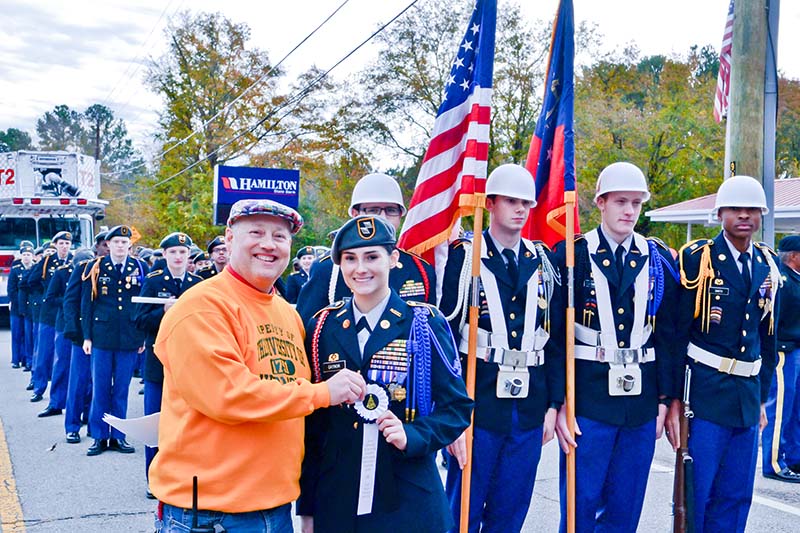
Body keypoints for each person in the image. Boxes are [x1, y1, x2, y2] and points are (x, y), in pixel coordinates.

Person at [150, 199, 367, 533]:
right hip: (210, 516)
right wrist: (323, 393)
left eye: (280, 236)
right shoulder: (201, 308)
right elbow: (229, 395)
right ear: (229, 239)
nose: (269, 244)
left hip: (275, 508)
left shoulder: (287, 314)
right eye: (256, 232)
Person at [298, 215, 472, 533]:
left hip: (407, 495)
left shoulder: (422, 323)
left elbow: (457, 408)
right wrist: (308, 508)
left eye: (372, 256)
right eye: (350, 258)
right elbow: (314, 427)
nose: (360, 268)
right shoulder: (323, 327)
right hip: (339, 496)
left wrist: (414, 435)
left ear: (392, 259)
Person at [553, 162, 680, 533]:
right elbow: (557, 336)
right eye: (621, 201)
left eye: (636, 203)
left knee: (626, 507)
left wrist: (663, 398)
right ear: (601, 203)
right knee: (580, 504)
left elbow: (668, 334)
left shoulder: (656, 258)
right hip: (588, 399)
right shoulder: (572, 254)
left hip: (640, 402)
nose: (629, 211)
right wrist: (560, 401)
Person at [437, 164, 564, 533]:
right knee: (463, 509)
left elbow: (553, 340)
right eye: (511, 201)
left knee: (511, 510)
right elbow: (446, 339)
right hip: (478, 404)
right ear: (490, 203)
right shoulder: (466, 257)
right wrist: (451, 409)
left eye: (526, 202)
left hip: (528, 405)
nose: (521, 209)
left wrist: (554, 404)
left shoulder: (542, 261)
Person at [670, 175, 779, 532]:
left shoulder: (766, 263)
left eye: (752, 210)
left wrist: (762, 398)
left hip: (746, 396)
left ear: (761, 215)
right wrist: (671, 398)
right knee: (697, 494)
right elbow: (676, 334)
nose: (744, 215)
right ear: (720, 214)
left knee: (736, 495)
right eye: (736, 209)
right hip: (705, 393)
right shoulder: (698, 260)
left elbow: (767, 338)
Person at [296, 173, 436, 322]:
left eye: (391, 210)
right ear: (355, 214)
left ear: (400, 215)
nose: (382, 217)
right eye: (373, 210)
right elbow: (308, 330)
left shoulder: (420, 270)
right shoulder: (327, 269)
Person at [134, 232, 203, 499]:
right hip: (158, 363)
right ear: (164, 255)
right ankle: (154, 478)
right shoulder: (152, 282)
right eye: (173, 252)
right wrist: (162, 311)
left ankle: (184, 477)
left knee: (189, 422)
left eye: (183, 253)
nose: (178, 257)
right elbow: (139, 320)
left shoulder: (197, 283)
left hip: (190, 363)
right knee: (156, 421)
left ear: (189, 257)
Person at [80, 225, 149, 456]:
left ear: (130, 245)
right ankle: (99, 436)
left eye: (124, 242)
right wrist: (87, 336)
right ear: (108, 244)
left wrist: (141, 336)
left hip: (129, 337)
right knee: (100, 388)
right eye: (116, 242)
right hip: (101, 336)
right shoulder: (97, 267)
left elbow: (143, 305)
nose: (120, 246)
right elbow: (87, 303)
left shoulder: (139, 267)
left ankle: (118, 436)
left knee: (121, 389)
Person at [63, 232, 108, 444]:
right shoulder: (83, 269)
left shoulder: (110, 270)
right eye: (104, 245)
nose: (107, 249)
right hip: (82, 336)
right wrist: (74, 332)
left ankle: (93, 425)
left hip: (101, 336)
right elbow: (70, 302)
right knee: (78, 382)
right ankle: (72, 426)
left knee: (97, 384)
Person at [761, 235, 800, 482]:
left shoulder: (794, 279)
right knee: (780, 410)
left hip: (796, 350)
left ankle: (794, 458)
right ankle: (773, 463)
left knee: (796, 410)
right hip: (783, 352)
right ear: (795, 256)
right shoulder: (781, 280)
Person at [30, 231, 74, 403]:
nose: (64, 247)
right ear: (55, 244)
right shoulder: (47, 262)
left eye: (67, 244)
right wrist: (42, 296)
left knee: (63, 357)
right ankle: (39, 387)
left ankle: (64, 394)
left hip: (66, 315)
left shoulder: (74, 262)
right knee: (44, 353)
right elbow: (31, 281)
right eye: (61, 243)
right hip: (49, 313)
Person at [8, 244, 34, 369]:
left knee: (28, 334)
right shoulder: (16, 269)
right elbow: (11, 289)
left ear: (32, 256)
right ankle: (15, 359)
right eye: (24, 255)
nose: (26, 257)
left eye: (29, 255)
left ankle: (27, 360)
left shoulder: (35, 268)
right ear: (21, 256)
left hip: (30, 307)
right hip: (17, 307)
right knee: (17, 334)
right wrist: (17, 302)